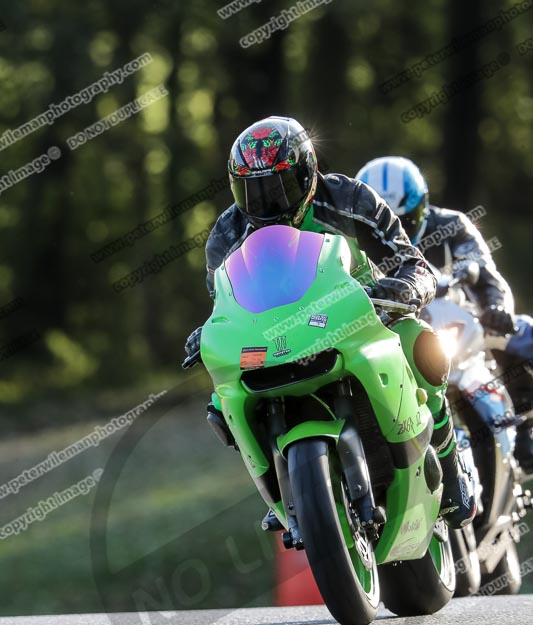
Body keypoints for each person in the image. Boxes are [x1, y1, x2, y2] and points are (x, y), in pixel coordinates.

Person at [184, 116, 476, 530]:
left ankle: (449, 464)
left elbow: (413, 262)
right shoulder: (227, 233)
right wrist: (208, 333)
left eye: (279, 186)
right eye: (252, 190)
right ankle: (281, 486)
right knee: (220, 402)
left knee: (422, 343)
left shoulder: (349, 198)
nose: (267, 202)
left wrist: (406, 287)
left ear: (307, 172)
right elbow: (225, 305)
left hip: (359, 318)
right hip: (272, 338)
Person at [355, 155, 533, 472]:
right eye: (382, 224)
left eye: (405, 220)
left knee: (524, 334)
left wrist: (496, 307)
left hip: (460, 322)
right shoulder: (352, 244)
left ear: (422, 206)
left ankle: (523, 427)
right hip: (390, 333)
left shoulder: (451, 225)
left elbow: (488, 275)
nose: (397, 230)